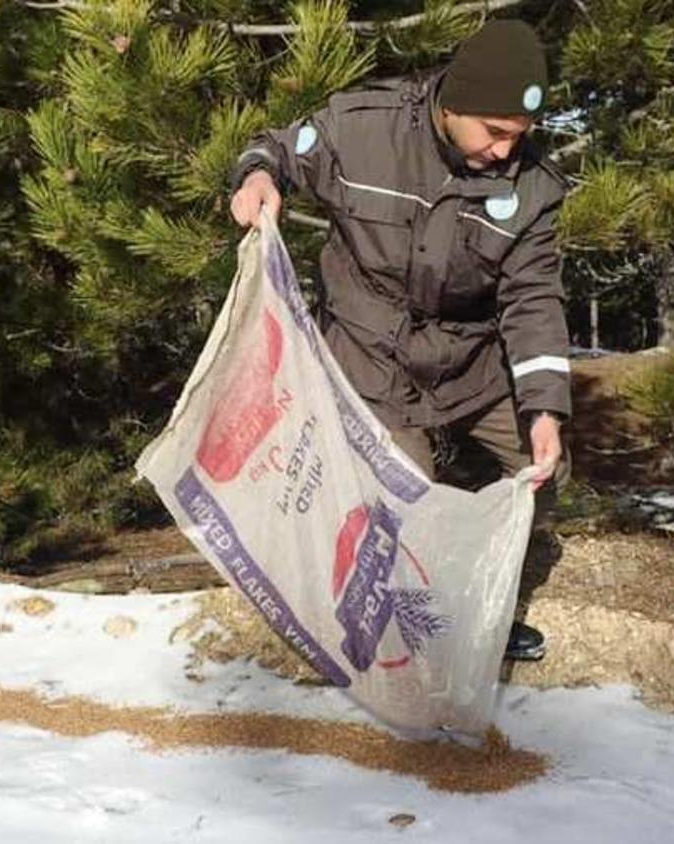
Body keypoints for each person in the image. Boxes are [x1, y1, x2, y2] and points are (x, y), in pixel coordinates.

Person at [228, 19, 570, 661]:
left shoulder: (532, 186)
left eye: (517, 137)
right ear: (454, 102)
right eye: (494, 133)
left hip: (470, 365)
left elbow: (534, 300)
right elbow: (273, 149)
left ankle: (483, 607)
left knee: (543, 467)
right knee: (403, 511)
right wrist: (257, 179)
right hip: (372, 362)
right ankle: (419, 616)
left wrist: (545, 408)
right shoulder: (363, 128)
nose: (504, 152)